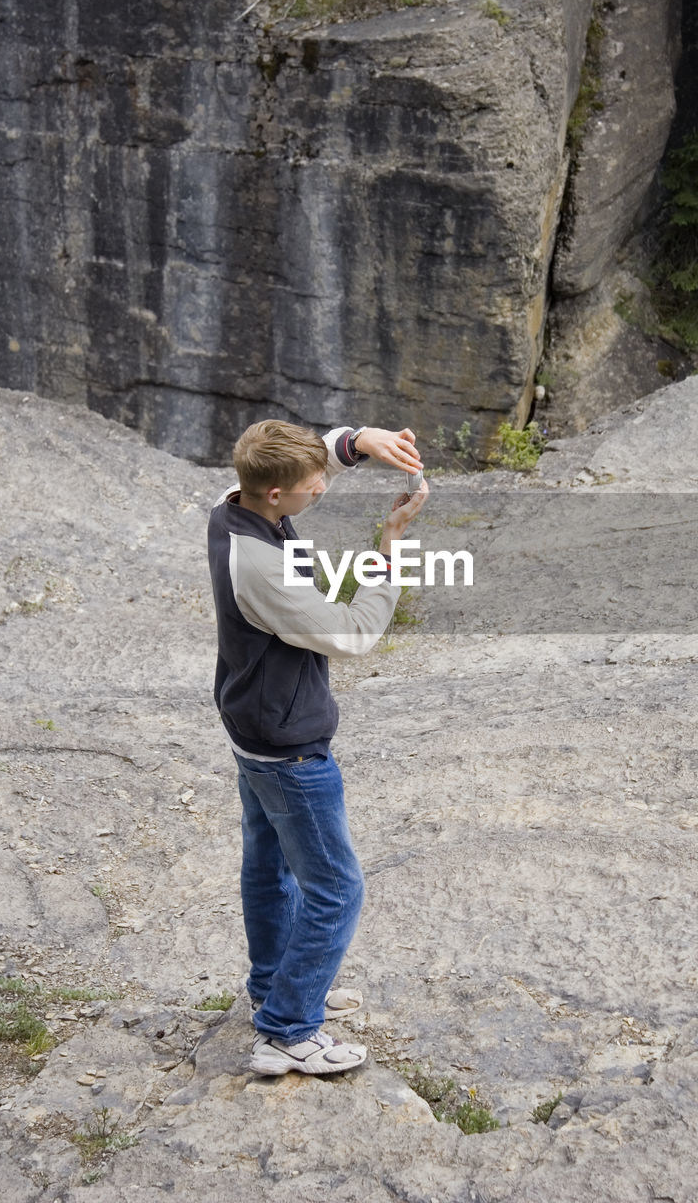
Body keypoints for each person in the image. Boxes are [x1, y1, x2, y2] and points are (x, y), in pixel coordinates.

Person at [207, 420, 428, 1076]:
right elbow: (353, 633)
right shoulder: (262, 569)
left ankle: (277, 987)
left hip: (252, 727)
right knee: (336, 889)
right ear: (274, 494)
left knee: (269, 868)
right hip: (290, 747)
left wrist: (358, 442)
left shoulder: (232, 509)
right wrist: (390, 545)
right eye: (312, 488)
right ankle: (287, 1030)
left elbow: (301, 457)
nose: (322, 489)